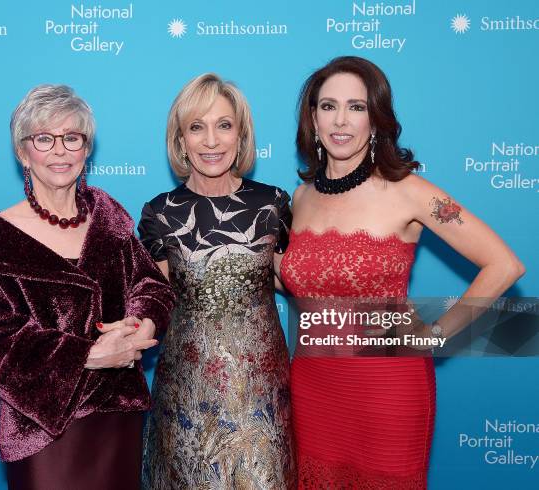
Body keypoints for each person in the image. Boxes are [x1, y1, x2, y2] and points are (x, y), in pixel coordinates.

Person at [280, 56, 525, 489]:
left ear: (376, 119)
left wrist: (434, 336)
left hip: (388, 390)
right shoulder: (300, 198)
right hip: (314, 387)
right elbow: (297, 279)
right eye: (328, 106)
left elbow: (504, 264)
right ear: (312, 119)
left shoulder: (410, 192)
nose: (341, 120)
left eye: (356, 107)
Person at [0, 84, 175, 490]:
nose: (60, 150)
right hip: (45, 429)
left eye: (72, 138)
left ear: (86, 149)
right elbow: (7, 352)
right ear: (23, 152)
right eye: (44, 138)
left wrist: (144, 323)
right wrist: (92, 354)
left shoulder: (108, 221)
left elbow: (152, 285)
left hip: (118, 415)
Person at [139, 73, 296, 488]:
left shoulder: (274, 203)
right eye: (197, 127)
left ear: (241, 135)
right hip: (187, 397)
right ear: (180, 140)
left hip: (260, 393)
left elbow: (295, 279)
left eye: (224, 125)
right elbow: (150, 301)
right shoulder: (160, 212)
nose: (211, 141)